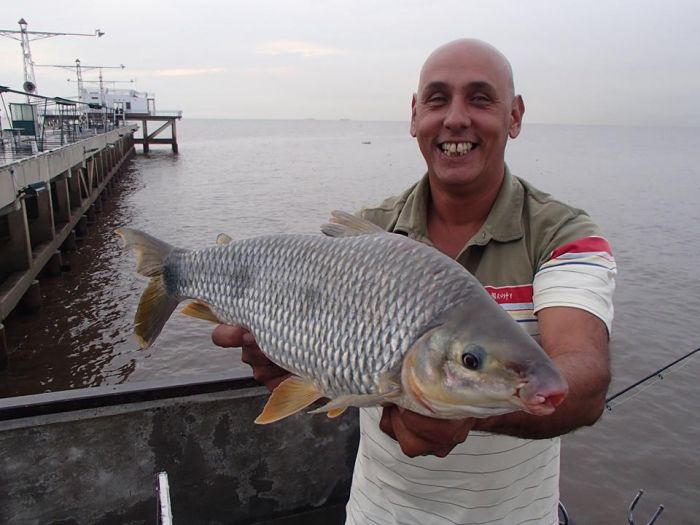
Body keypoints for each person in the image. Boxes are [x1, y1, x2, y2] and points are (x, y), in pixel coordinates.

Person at [212, 39, 616, 525]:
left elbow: (584, 379)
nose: (456, 119)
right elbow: (314, 353)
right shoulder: (369, 234)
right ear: (415, 116)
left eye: (480, 99)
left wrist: (468, 411)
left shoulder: (563, 234)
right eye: (437, 99)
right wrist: (287, 356)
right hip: (377, 514)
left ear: (514, 116)